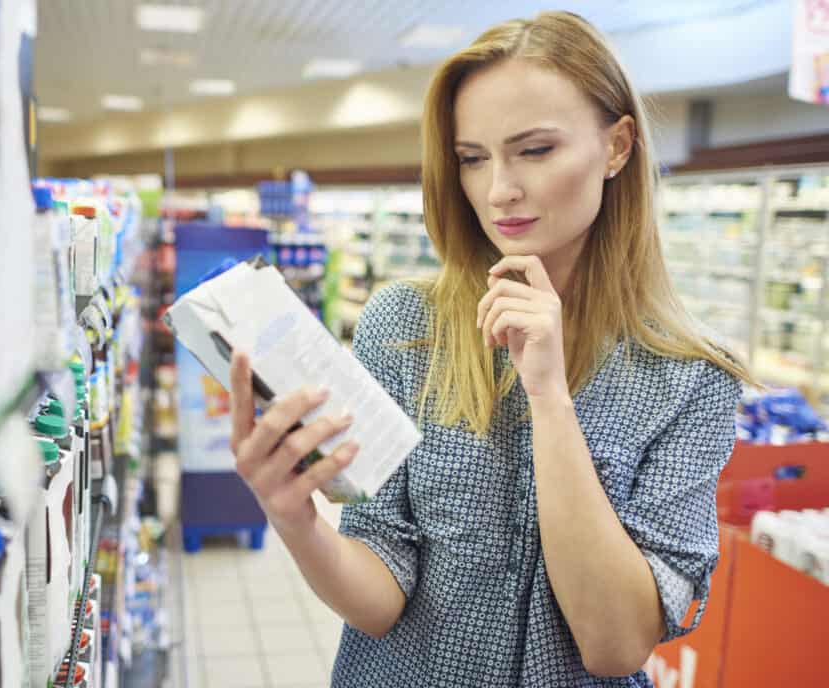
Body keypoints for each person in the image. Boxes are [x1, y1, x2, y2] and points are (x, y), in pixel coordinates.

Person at [228, 11, 753, 687]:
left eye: (534, 150)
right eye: (473, 158)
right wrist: (295, 518)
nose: (499, 189)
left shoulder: (690, 379)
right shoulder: (404, 325)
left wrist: (550, 398)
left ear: (618, 146)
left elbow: (616, 645)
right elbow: (383, 590)